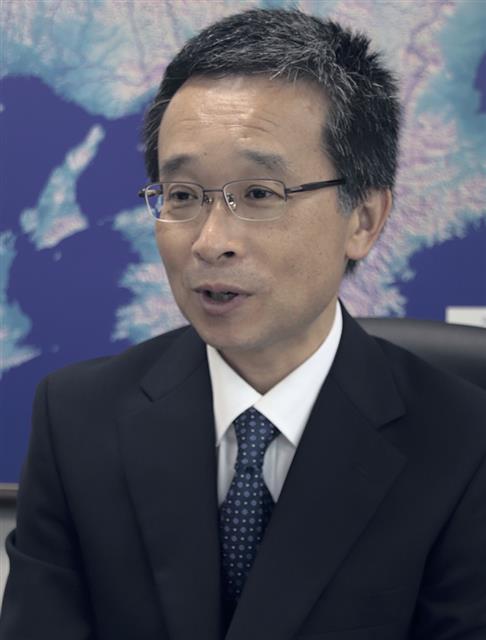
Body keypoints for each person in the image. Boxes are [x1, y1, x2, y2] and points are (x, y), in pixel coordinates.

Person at [1, 8, 485, 640]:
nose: (210, 242)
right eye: (182, 196)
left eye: (258, 194)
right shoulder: (76, 419)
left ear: (363, 220)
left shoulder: (465, 445)